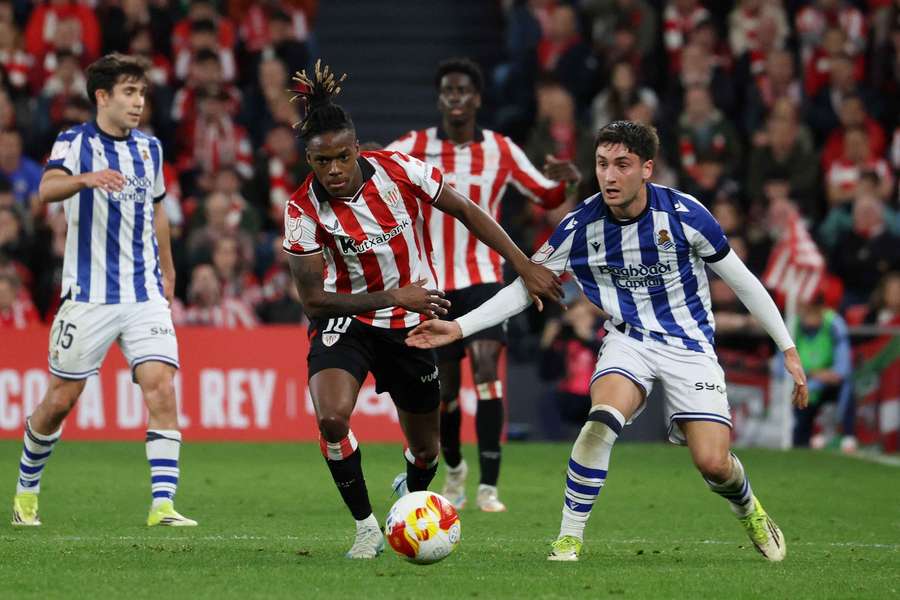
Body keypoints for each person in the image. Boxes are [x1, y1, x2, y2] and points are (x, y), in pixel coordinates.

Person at [407, 120, 809, 562]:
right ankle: (568, 538)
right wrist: (460, 326)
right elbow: (525, 287)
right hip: (628, 341)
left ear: (647, 169)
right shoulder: (581, 226)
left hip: (689, 345)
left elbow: (746, 283)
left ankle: (748, 507)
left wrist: (788, 348)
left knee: (713, 463)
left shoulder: (684, 214)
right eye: (601, 164)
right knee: (600, 420)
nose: (610, 176)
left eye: (622, 164)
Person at [283, 61, 561, 559]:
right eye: (321, 163)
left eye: (343, 157)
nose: (334, 171)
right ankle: (367, 528)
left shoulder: (398, 169)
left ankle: (410, 503)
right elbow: (312, 301)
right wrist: (393, 295)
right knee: (331, 419)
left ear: (357, 146)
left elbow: (469, 211)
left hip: (412, 327)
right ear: (309, 159)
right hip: (346, 320)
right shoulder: (302, 211)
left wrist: (523, 266)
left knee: (427, 451)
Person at [10, 54, 195, 528]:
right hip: (88, 296)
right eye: (129, 93)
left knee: (161, 386)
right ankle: (27, 490)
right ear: (103, 97)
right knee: (60, 401)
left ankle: (163, 505)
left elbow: (157, 211)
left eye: (142, 94)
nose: (138, 103)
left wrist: (169, 272)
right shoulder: (74, 142)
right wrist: (85, 180)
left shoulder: (149, 150)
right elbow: (47, 190)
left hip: (143, 293)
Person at [387, 58, 580, 512]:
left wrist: (565, 183)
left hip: (485, 279)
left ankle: (489, 486)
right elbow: (373, 164)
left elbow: (543, 192)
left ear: (477, 98)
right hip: (435, 285)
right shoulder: (414, 146)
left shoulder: (500, 149)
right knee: (446, 391)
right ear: (440, 99)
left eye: (463, 91)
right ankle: (454, 470)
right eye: (448, 91)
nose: (456, 99)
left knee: (488, 370)